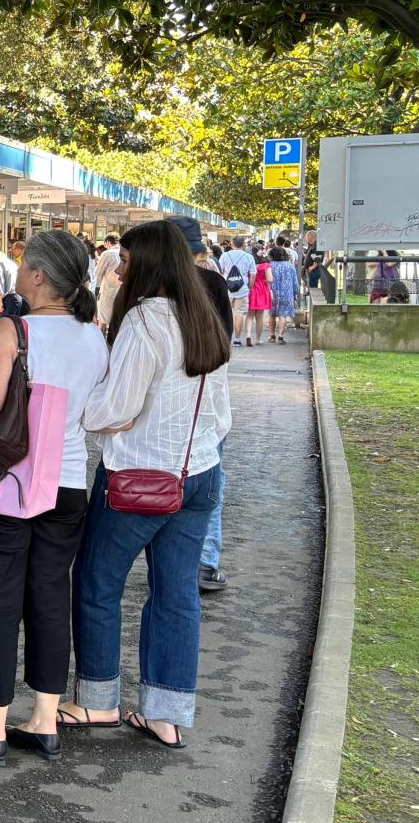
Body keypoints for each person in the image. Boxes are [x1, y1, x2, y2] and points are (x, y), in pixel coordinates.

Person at [65, 220, 232, 748]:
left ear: (150, 263)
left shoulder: (143, 320)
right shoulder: (202, 313)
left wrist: (78, 407)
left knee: (96, 584)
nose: (121, 266)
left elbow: (115, 409)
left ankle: (97, 702)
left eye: (129, 259)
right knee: (177, 594)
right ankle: (166, 714)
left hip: (137, 476)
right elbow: (221, 414)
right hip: (199, 473)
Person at [0, 230, 109, 767]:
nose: (17, 274)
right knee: (49, 596)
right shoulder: (94, 337)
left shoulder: (13, 330)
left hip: (4, 485)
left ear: (39, 276)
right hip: (65, 484)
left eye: (23, 266)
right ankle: (45, 718)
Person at [168, 216, 234, 595]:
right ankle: (204, 563)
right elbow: (223, 347)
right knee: (208, 479)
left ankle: (171, 560)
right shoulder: (213, 284)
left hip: (163, 404)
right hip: (207, 403)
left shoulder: (155, 288)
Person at [216, 241, 255, 345]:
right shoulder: (248, 256)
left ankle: (224, 339)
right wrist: (249, 287)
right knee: (239, 314)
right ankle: (237, 340)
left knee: (224, 313)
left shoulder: (225, 255)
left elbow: (219, 271)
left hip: (227, 289)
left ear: (232, 244)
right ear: (243, 245)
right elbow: (253, 274)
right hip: (242, 289)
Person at [268, 246, 297, 343]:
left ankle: (272, 336)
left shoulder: (269, 265)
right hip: (287, 293)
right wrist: (295, 293)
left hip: (272, 293)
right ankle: (280, 336)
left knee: (272, 315)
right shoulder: (290, 265)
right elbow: (295, 281)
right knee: (283, 315)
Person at [94, 233, 123, 331]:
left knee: (103, 317)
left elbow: (98, 272)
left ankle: (100, 339)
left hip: (108, 288)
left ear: (108, 242)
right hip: (122, 288)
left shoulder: (107, 254)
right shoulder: (125, 251)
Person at [244, 250, 272, 345]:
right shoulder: (265, 266)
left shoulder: (248, 264)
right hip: (262, 290)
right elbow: (270, 279)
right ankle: (258, 339)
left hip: (250, 289)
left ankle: (248, 335)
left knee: (249, 315)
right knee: (259, 317)